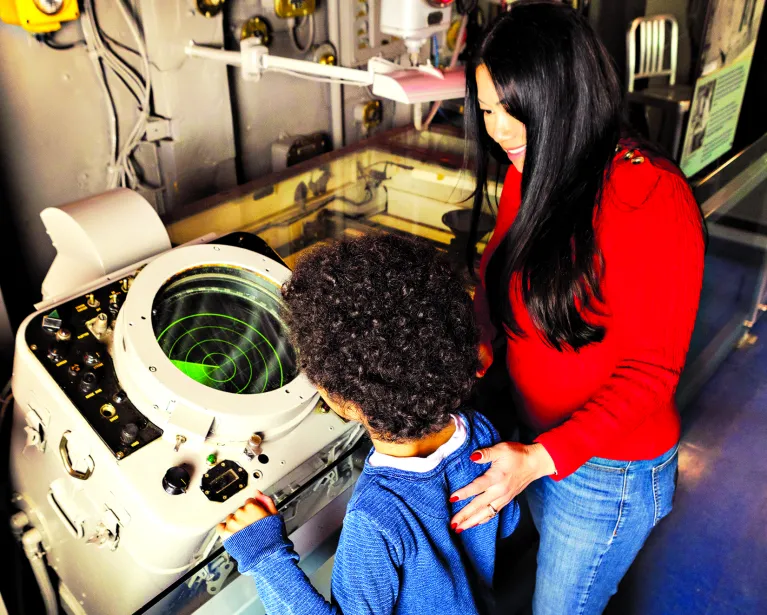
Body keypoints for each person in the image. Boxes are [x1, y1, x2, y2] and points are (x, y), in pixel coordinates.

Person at [449, 2, 706, 614]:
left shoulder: (649, 198)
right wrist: (479, 340)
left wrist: (541, 459)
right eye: (487, 110)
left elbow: (651, 372)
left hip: (607, 474)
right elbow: (498, 270)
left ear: (567, 102)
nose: (500, 131)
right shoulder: (529, 168)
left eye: (518, 113)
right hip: (535, 441)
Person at [217, 234, 520, 615]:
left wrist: (263, 553)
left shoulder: (374, 518)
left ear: (342, 402)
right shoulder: (479, 433)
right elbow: (506, 521)